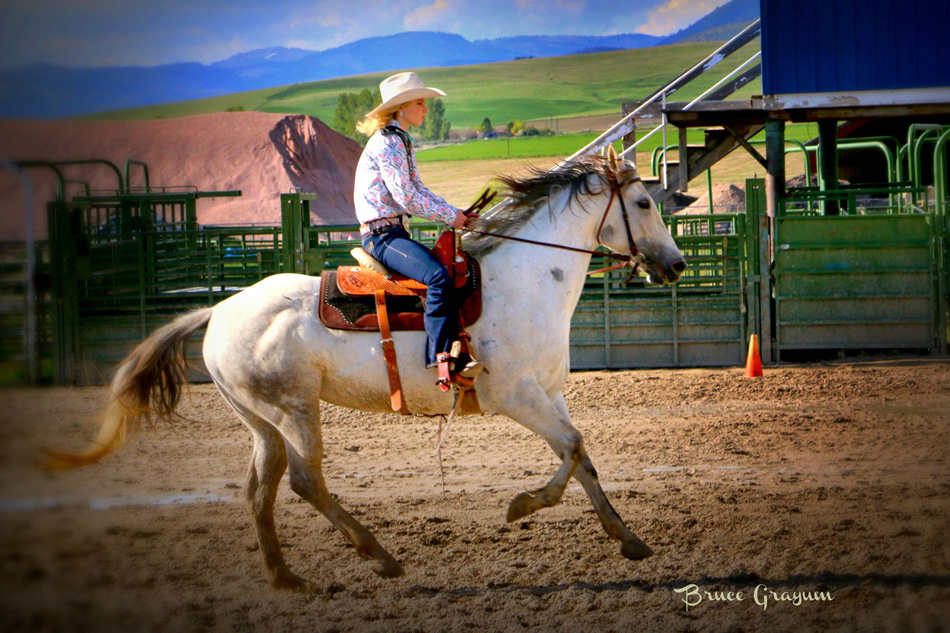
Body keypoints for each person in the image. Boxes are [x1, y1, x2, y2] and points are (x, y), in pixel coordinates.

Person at [353, 71, 481, 380]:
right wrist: (451, 217)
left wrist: (455, 211)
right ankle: (438, 356)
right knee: (438, 277)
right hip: (382, 236)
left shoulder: (398, 140)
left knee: (443, 271)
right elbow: (407, 197)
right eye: (420, 103)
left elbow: (418, 191)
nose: (426, 109)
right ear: (401, 108)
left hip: (391, 231)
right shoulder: (389, 143)